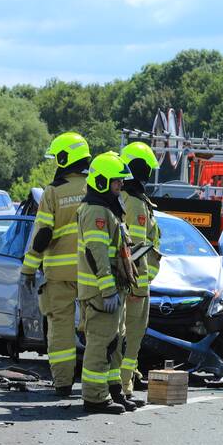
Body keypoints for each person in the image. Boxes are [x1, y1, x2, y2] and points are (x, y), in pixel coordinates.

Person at [20, 132, 90, 397]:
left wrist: (28, 269)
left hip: (59, 274)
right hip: (91, 274)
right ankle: (99, 381)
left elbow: (42, 235)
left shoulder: (53, 192)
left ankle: (63, 383)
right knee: (95, 326)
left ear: (64, 157)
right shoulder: (97, 187)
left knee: (60, 328)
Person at [76, 152, 135, 414]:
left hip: (111, 290)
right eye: (116, 182)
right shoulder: (96, 211)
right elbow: (96, 253)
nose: (120, 186)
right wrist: (108, 289)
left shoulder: (107, 209)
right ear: (101, 182)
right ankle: (94, 397)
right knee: (100, 343)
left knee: (115, 342)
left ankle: (112, 390)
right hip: (102, 292)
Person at [119, 141, 162, 405]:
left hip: (134, 282)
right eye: (146, 168)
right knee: (132, 333)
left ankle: (127, 379)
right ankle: (125, 387)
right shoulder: (133, 203)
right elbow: (134, 249)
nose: (149, 173)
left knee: (128, 333)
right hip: (136, 284)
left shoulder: (131, 198)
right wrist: (136, 286)